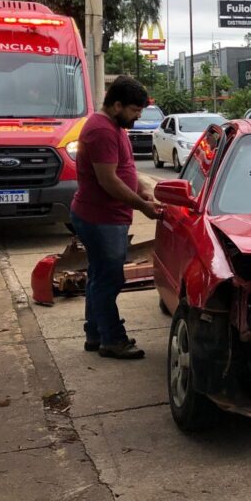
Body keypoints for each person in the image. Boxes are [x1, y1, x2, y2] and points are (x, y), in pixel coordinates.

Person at [70, 76, 162, 360]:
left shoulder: (115, 126)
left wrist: (145, 190)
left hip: (106, 217)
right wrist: (142, 206)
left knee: (98, 277)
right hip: (100, 219)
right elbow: (109, 181)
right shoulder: (102, 131)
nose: (137, 117)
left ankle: (96, 334)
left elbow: (126, 171)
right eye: (134, 111)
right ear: (117, 105)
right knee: (109, 280)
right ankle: (112, 339)